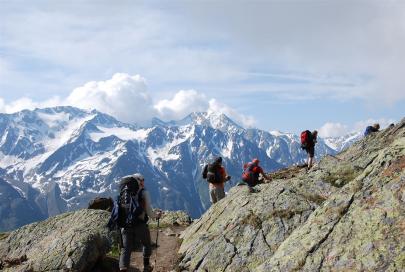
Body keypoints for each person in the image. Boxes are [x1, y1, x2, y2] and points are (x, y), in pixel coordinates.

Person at [119, 173, 162, 272]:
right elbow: (149, 212)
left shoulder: (124, 192)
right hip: (139, 224)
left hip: (125, 225)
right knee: (146, 244)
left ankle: (123, 268)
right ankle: (146, 266)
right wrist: (157, 215)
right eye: (142, 180)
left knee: (125, 248)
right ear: (138, 180)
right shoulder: (143, 192)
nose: (143, 182)